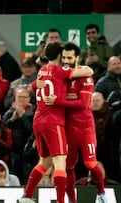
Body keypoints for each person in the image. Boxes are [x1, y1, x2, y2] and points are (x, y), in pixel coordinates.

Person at [18, 41, 94, 203]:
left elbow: (33, 86)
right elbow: (88, 71)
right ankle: (60, 201)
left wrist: (33, 85)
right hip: (53, 122)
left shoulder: (42, 71)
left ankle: (26, 195)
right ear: (60, 55)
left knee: (44, 161)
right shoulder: (61, 71)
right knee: (60, 161)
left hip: (38, 120)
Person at [42, 42, 106, 203]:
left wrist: (57, 101)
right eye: (63, 57)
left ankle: (101, 194)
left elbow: (83, 104)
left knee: (90, 163)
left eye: (69, 57)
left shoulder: (85, 76)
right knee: (68, 166)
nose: (66, 61)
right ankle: (72, 200)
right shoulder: (62, 74)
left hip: (85, 127)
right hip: (67, 128)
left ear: (77, 57)